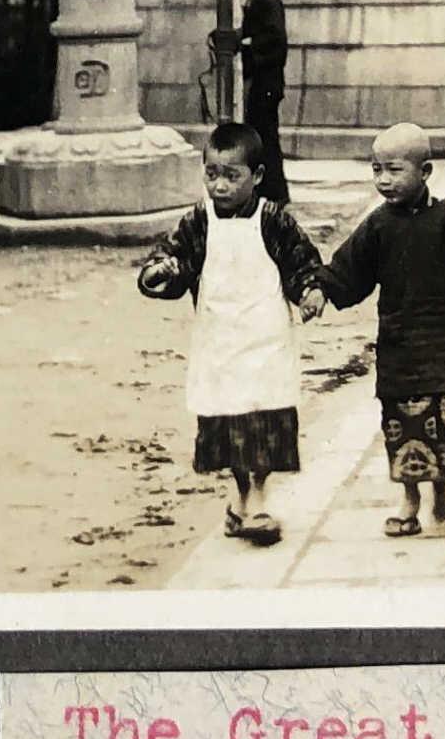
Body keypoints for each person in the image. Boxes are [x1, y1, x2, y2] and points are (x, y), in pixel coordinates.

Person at [303, 121, 445, 539]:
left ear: (426, 171)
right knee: (403, 425)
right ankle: (410, 501)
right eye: (376, 169)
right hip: (399, 344)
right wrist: (321, 290)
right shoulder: (379, 225)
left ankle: (442, 493)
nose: (384, 180)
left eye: (394, 170)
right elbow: (350, 269)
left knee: (443, 423)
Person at [136, 123, 323, 548]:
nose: (219, 185)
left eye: (231, 176)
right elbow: (174, 259)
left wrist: (310, 291)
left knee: (263, 419)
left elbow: (301, 261)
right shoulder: (198, 221)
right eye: (211, 174)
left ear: (256, 176)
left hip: (265, 337)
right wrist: (159, 272)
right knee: (229, 421)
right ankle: (241, 499)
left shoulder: (273, 219)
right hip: (219, 340)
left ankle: (258, 499)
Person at [228, 0, 291, 204]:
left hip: (267, 80)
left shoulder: (269, 0)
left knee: (265, 137)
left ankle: (275, 192)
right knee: (261, 135)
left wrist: (248, 44)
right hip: (260, 80)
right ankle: (268, 190)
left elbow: (277, 41)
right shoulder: (255, 0)